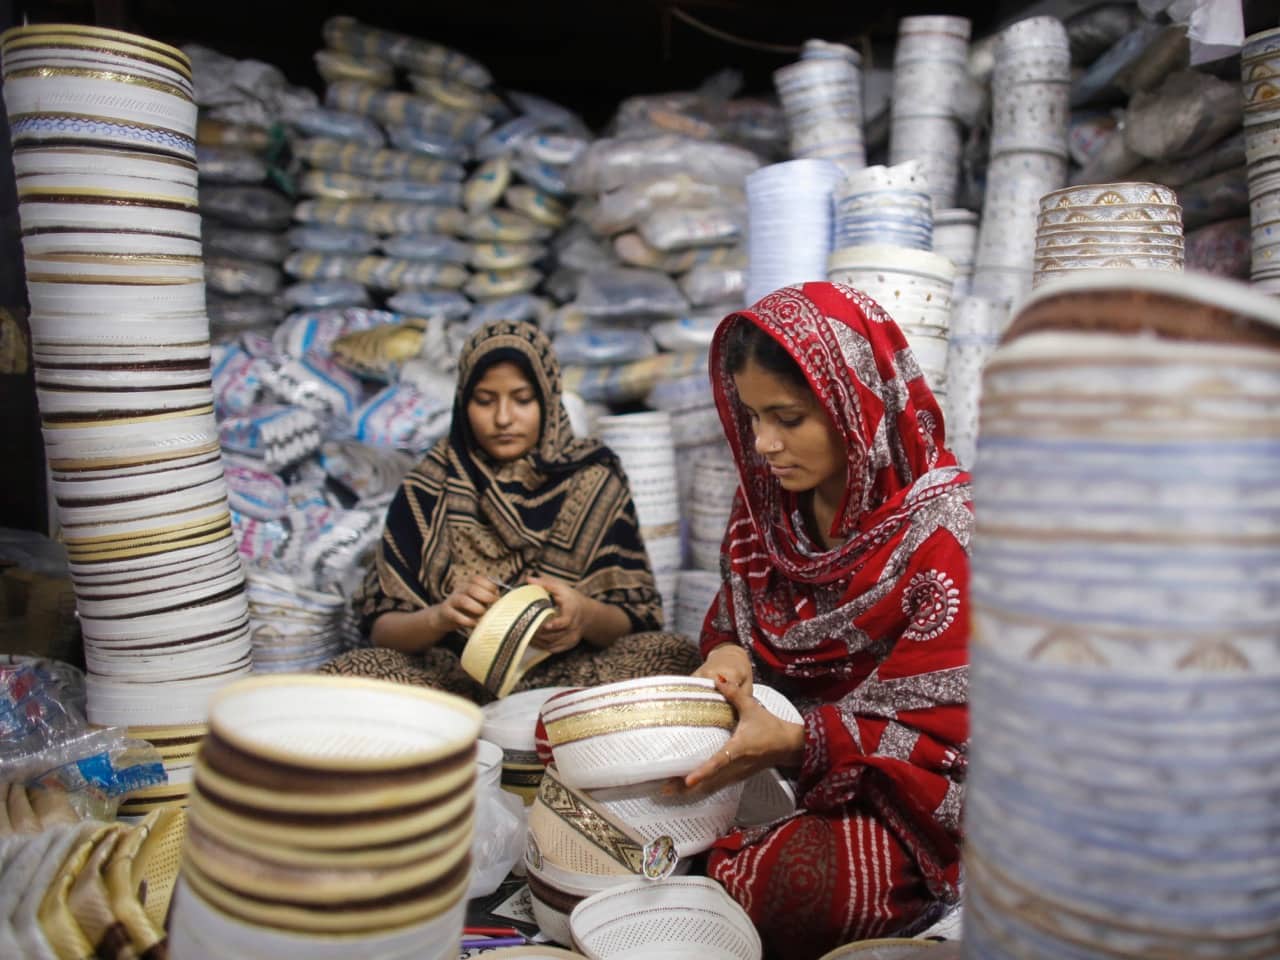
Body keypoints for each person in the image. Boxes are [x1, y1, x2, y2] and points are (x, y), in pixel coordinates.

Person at [681, 282, 972, 958]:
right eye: (752, 416)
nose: (764, 445)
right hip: (775, 745)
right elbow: (733, 621)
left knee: (781, 888)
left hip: (902, 789)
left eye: (786, 417)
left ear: (855, 407)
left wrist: (794, 743)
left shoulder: (945, 537)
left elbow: (944, 735)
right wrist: (729, 661)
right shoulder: (768, 508)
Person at [322, 319, 698, 699]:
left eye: (522, 399)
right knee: (350, 673)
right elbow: (383, 629)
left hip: (571, 675)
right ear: (463, 401)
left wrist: (582, 616)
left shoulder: (593, 477)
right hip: (452, 678)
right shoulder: (431, 484)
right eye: (485, 400)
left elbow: (637, 618)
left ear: (549, 398)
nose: (503, 418)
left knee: (673, 655)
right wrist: (440, 617)